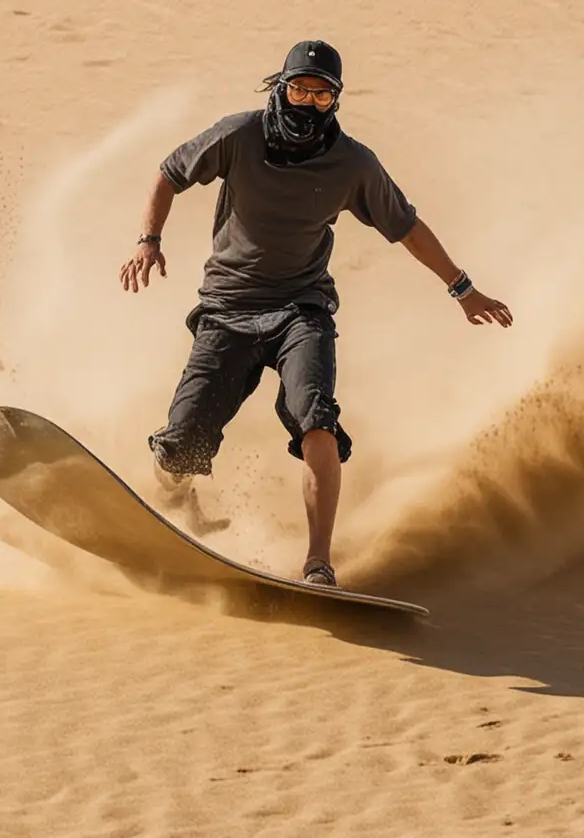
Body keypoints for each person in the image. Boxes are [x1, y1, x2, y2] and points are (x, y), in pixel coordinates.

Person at [118, 39, 513, 587]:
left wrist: (462, 288)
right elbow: (169, 173)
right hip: (227, 308)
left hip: (301, 312)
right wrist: (147, 240)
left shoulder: (352, 163)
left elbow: (406, 226)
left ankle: (318, 564)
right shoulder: (239, 134)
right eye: (299, 90)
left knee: (317, 422)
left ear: (336, 101)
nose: (307, 104)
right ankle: (181, 504)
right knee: (181, 446)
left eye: (321, 95)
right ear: (279, 87)